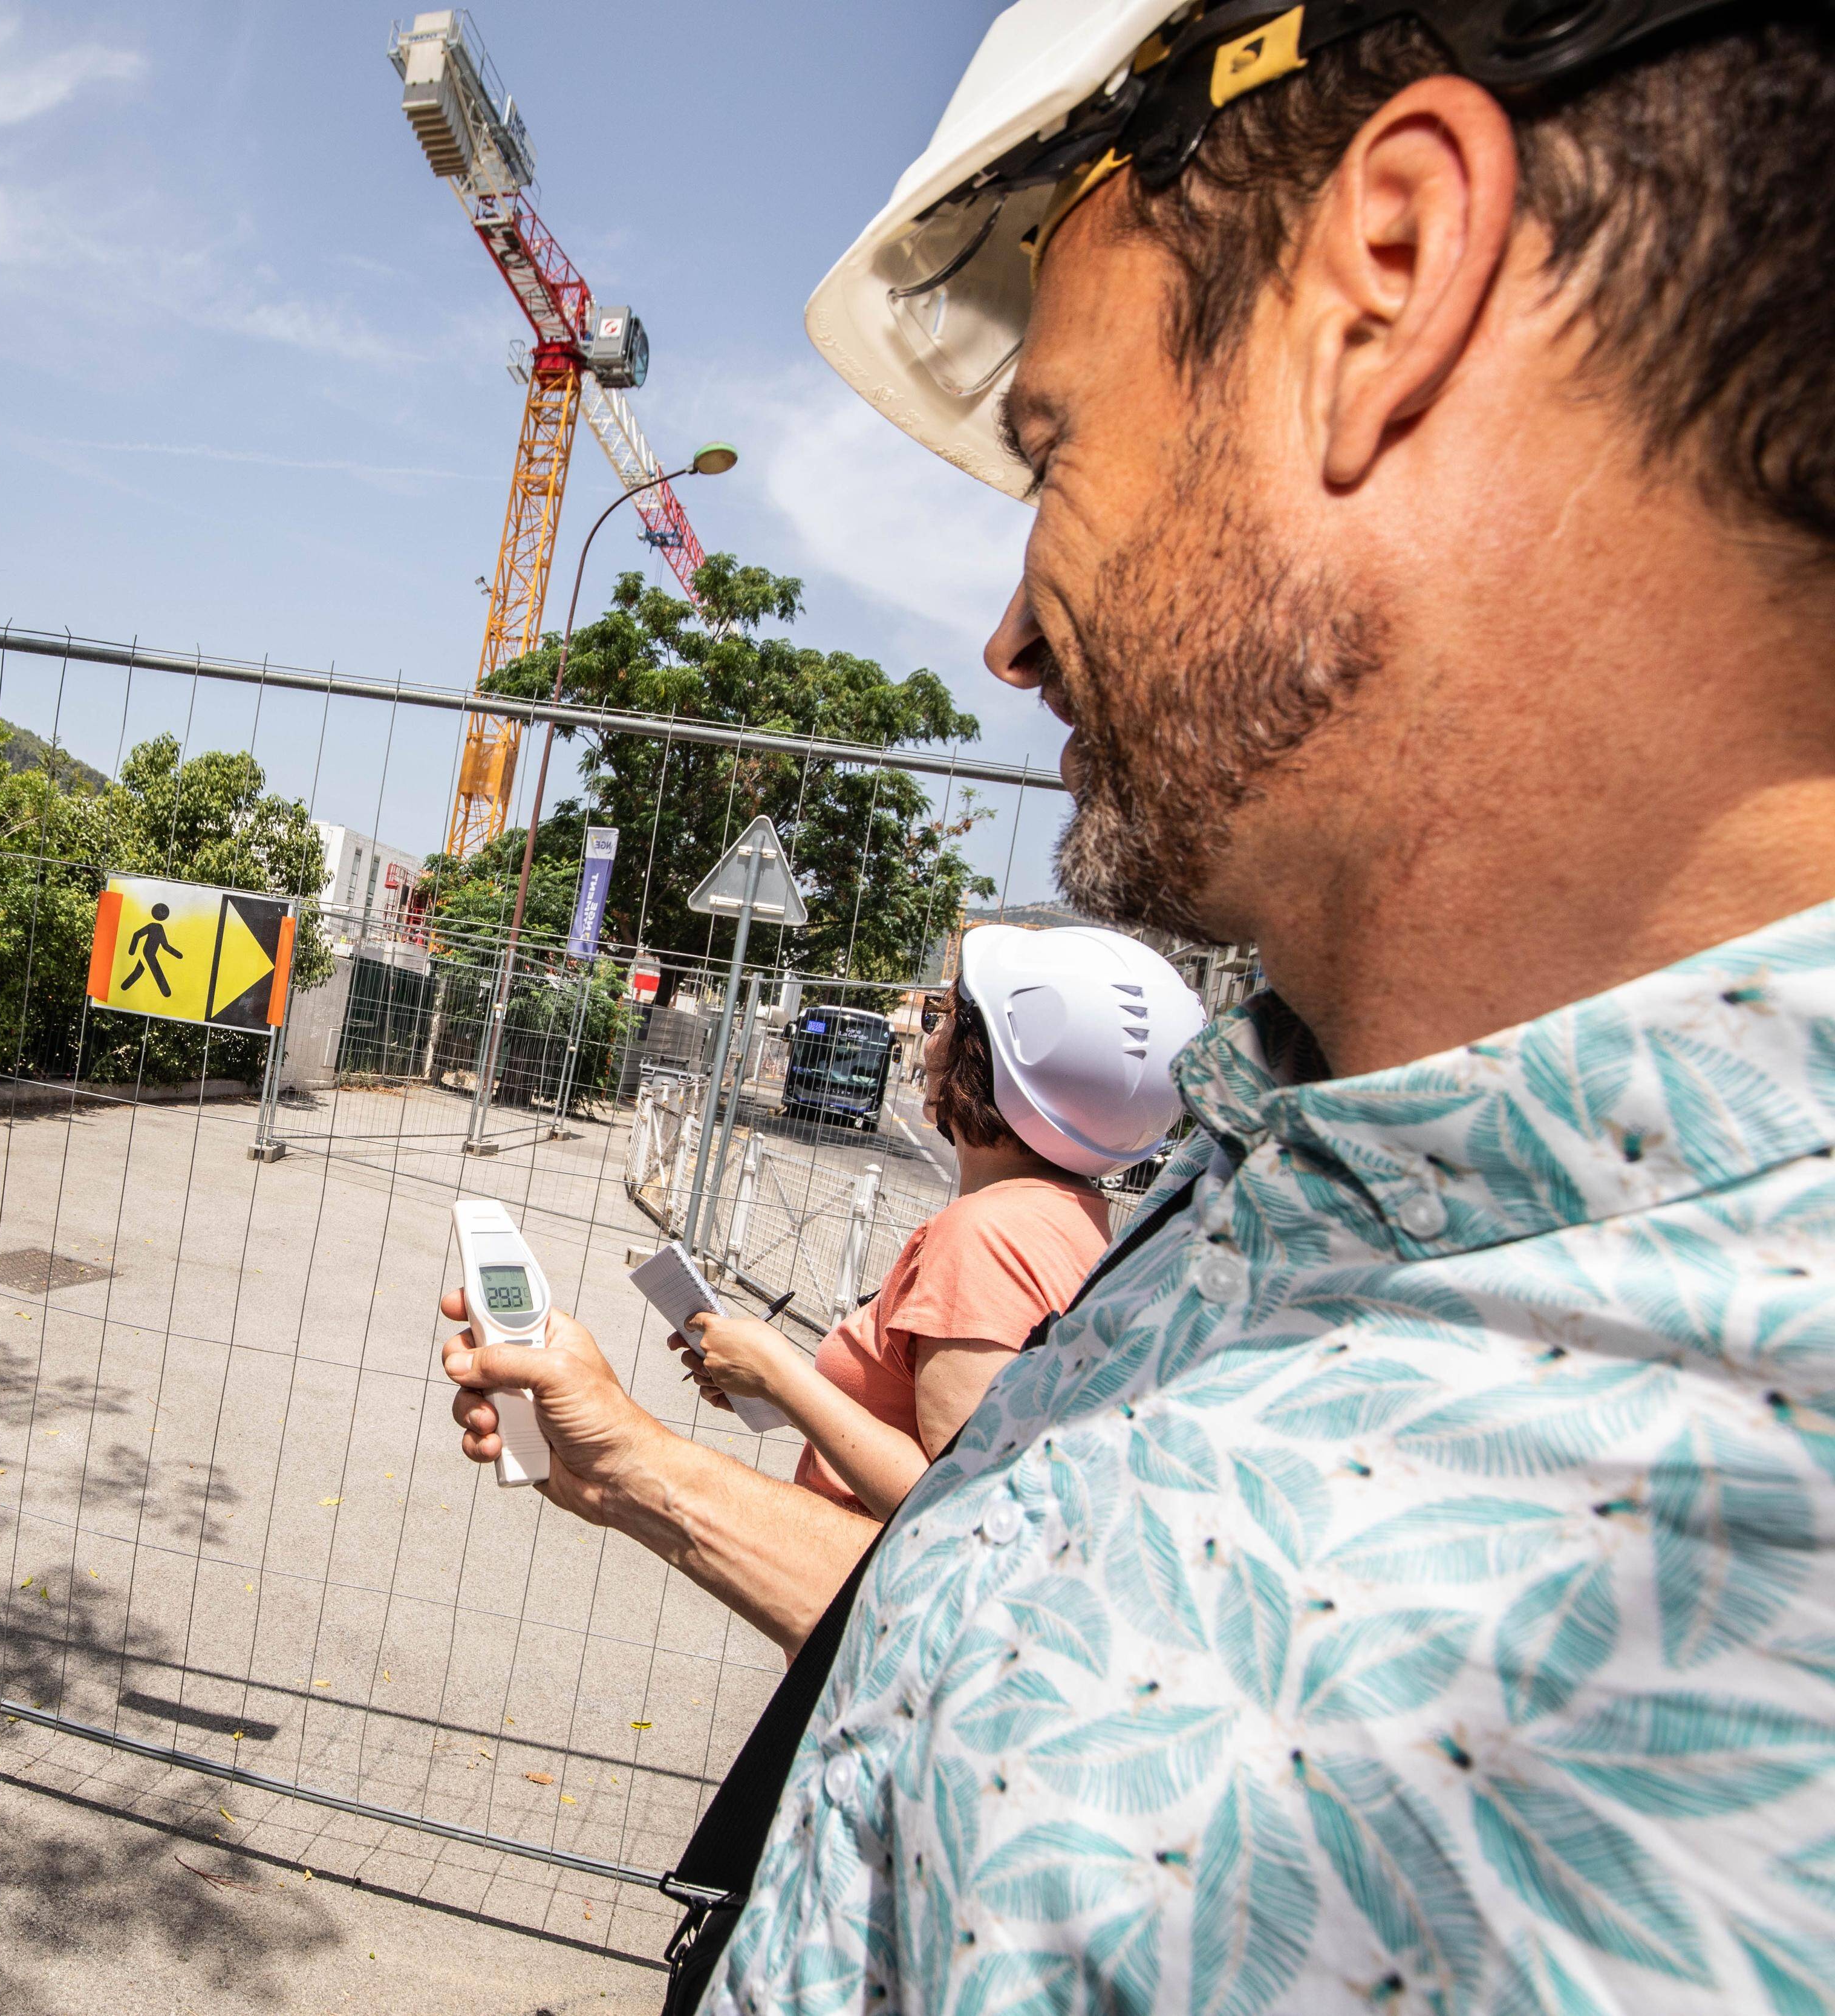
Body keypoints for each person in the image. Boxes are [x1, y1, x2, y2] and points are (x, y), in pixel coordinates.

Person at [446, 2, 1835, 2008]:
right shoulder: (1312, 1160)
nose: (1006, 629)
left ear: (1387, 285)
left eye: (1059, 444)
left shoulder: (1725, 1642)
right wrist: (642, 1461)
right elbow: (1019, 1686)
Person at [684, 927, 1202, 1519]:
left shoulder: (985, 1236)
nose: (931, 1041)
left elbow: (956, 1504)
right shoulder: (1071, 1220)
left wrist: (780, 1377)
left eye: (945, 1018)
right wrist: (780, 1390)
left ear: (985, 1058)